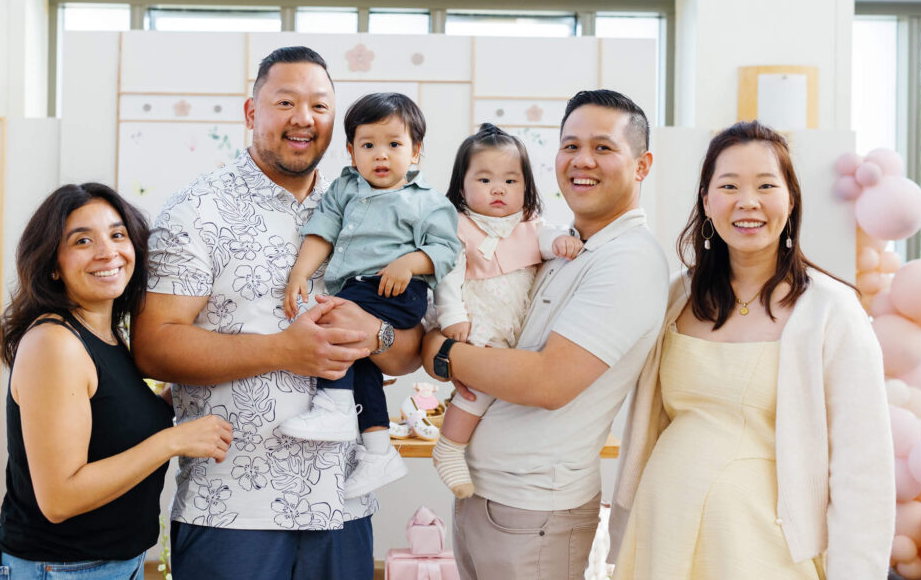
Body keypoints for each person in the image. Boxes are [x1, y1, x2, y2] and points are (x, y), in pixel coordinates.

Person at [131, 47, 424, 580]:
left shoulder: (368, 208)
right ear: (251, 113)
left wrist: (377, 333)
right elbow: (153, 345)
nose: (303, 118)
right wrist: (282, 350)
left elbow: (406, 354)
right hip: (232, 506)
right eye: (285, 102)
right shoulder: (196, 210)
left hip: (343, 501)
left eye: (319, 105)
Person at [609, 121, 895, 579]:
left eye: (766, 185)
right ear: (706, 201)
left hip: (766, 547)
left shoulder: (830, 310)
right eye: (729, 186)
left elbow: (864, 469)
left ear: (791, 198)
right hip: (663, 527)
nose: (748, 201)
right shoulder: (673, 299)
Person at [421, 90, 670, 580]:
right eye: (570, 145)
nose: (582, 160)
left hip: (534, 511)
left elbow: (547, 382)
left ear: (642, 166)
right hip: (488, 498)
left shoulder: (628, 260)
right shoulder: (565, 246)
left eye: (603, 147)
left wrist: (443, 352)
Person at [0, 183, 232, 580]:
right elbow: (59, 497)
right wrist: (173, 440)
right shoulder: (55, 343)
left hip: (113, 564)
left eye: (117, 235)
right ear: (53, 264)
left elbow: (114, 424)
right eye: (83, 240)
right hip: (61, 569)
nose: (108, 252)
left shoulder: (110, 336)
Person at [279, 91, 460, 497]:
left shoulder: (427, 201)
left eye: (394, 144)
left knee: (334, 321)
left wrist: (410, 262)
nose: (382, 155)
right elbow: (321, 232)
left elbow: (448, 250)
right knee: (362, 366)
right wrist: (299, 275)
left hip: (398, 290)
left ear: (415, 152)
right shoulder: (344, 189)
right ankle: (378, 451)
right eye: (368, 145)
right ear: (350, 151)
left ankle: (334, 408)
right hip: (362, 290)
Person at [429, 123, 583, 498]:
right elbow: (447, 275)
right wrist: (452, 317)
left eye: (511, 181)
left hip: (515, 327)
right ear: (461, 186)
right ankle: (450, 446)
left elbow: (545, 240)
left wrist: (561, 241)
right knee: (477, 386)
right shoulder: (456, 226)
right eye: (484, 179)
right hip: (476, 318)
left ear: (527, 187)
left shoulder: (530, 226)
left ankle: (478, 448)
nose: (498, 189)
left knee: (503, 387)